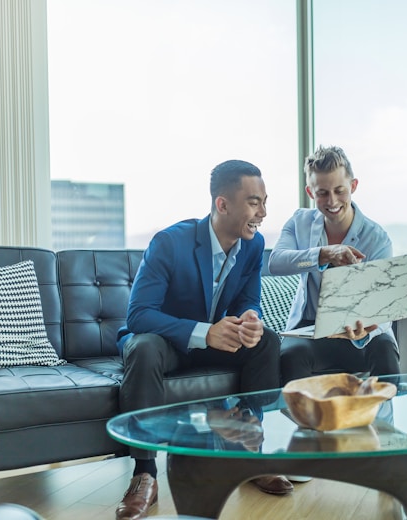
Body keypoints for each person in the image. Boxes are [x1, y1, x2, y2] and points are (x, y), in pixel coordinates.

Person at [114, 159, 291, 520]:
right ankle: (144, 474)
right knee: (143, 347)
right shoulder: (169, 242)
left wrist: (251, 318)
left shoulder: (254, 246)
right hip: (167, 344)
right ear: (222, 204)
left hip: (216, 343)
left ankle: (248, 450)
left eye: (265, 201)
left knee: (267, 342)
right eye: (254, 202)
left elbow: (248, 298)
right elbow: (139, 315)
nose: (263, 212)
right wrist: (203, 332)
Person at [268, 145, 401, 385]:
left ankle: (385, 422)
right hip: (310, 330)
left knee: (385, 350)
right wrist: (323, 254)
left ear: (353, 186)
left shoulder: (377, 238)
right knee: (290, 355)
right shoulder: (299, 223)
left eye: (339, 190)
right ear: (310, 192)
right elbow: (276, 263)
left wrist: (366, 329)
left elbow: (384, 306)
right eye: (322, 193)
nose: (332, 201)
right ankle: (304, 423)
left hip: (360, 331)